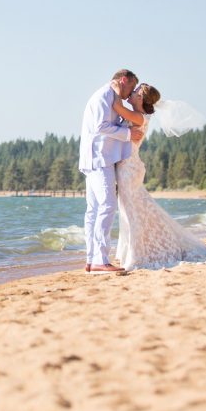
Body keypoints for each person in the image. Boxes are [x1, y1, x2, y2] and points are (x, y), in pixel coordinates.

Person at [111, 83, 206, 270]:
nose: (131, 92)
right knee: (133, 211)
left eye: (135, 91)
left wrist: (114, 87)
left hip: (129, 170)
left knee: (132, 213)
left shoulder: (138, 117)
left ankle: (137, 254)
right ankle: (134, 251)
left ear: (140, 98)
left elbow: (117, 107)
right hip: (129, 168)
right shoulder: (140, 116)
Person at [78, 69, 144, 274]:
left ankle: (92, 259)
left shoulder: (111, 97)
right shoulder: (106, 95)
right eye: (131, 87)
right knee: (106, 205)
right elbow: (100, 126)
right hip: (99, 158)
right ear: (124, 80)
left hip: (97, 157)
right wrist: (127, 133)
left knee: (94, 210)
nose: (130, 92)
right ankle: (100, 259)